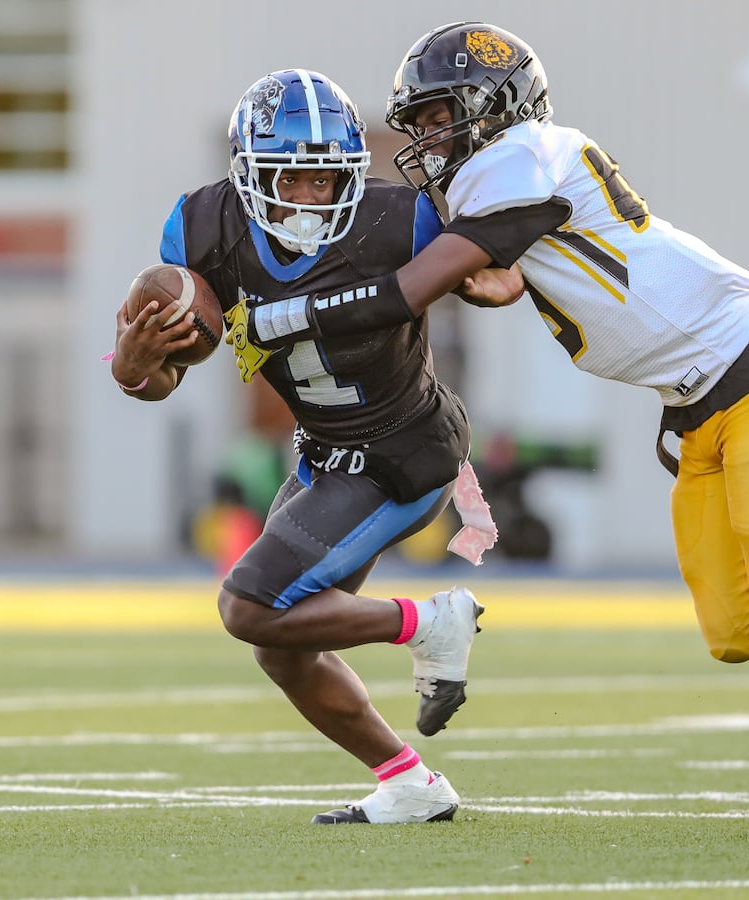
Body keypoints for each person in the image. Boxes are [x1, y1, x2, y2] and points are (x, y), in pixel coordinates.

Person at [232, 25, 749, 834]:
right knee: (739, 629)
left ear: (493, 105)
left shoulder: (515, 160)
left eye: (442, 116)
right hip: (699, 400)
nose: (430, 137)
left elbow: (412, 290)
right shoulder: (520, 168)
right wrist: (487, 281)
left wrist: (277, 315)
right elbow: (510, 276)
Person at [108, 68, 497, 826]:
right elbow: (164, 378)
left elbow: (498, 260)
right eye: (295, 177)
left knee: (247, 605)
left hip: (401, 452)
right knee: (281, 645)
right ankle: (409, 783)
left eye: (328, 178)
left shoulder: (400, 220)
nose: (314, 197)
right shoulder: (201, 231)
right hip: (325, 454)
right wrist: (133, 371)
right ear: (251, 173)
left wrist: (500, 274)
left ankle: (429, 622)